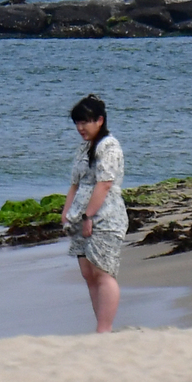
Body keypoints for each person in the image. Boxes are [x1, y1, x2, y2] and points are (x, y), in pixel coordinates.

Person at [60, 94, 127, 332]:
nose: (80, 128)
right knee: (88, 273)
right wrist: (67, 212)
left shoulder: (110, 147)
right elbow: (75, 184)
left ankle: (104, 329)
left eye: (84, 122)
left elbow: (104, 184)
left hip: (105, 215)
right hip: (80, 214)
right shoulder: (83, 148)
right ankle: (101, 324)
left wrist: (89, 216)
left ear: (99, 120)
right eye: (77, 123)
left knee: (103, 271)